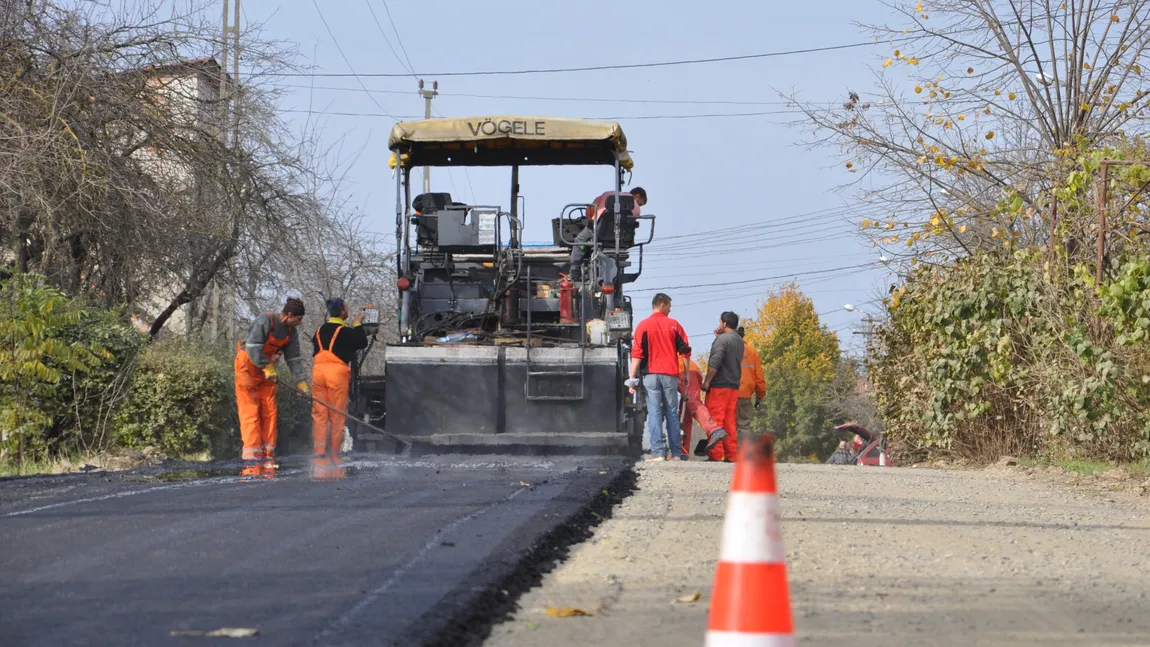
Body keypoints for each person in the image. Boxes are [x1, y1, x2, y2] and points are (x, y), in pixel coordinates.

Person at [234, 297, 309, 478]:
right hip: (247, 369)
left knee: (270, 412)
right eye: (298, 319)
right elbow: (252, 347)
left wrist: (302, 383)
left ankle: (268, 457)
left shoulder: (291, 333)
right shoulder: (265, 321)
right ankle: (252, 460)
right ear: (289, 315)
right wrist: (266, 366)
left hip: (267, 373)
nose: (299, 323)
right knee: (251, 414)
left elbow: (294, 359)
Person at [310, 298, 369, 479]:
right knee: (336, 415)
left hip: (318, 373)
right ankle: (335, 455)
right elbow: (361, 343)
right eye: (346, 308)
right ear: (342, 311)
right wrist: (358, 324)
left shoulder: (318, 331)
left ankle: (319, 455)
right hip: (336, 374)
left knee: (320, 414)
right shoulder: (345, 331)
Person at [629, 292, 691, 461]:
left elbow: (637, 354)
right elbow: (685, 351)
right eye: (669, 306)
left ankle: (657, 453)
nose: (670, 310)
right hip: (670, 376)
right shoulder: (674, 325)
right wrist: (686, 374)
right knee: (671, 413)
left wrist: (632, 378)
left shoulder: (643, 326)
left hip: (650, 376)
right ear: (662, 304)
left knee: (654, 412)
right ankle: (676, 453)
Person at [568, 187, 647, 281]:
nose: (639, 206)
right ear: (637, 196)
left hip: (598, 232)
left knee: (580, 241)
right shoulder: (636, 208)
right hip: (621, 240)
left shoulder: (607, 194)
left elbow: (590, 210)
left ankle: (575, 271)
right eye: (640, 204)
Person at [702, 312, 744, 462]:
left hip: (719, 387)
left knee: (715, 420)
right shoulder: (739, 340)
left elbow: (715, 363)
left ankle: (715, 454)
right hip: (733, 387)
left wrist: (707, 382)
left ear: (724, 323)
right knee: (729, 422)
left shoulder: (722, 340)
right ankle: (731, 455)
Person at [678, 353, 727, 459]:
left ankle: (713, 430)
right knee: (686, 411)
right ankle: (682, 451)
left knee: (693, 402)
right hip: (691, 370)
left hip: (683, 370)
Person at [736, 326, 766, 443]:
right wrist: (760, 396)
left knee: (729, 425)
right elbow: (759, 378)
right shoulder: (752, 352)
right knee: (743, 426)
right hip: (746, 395)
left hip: (730, 393)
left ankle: (729, 454)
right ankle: (743, 455)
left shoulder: (727, 348)